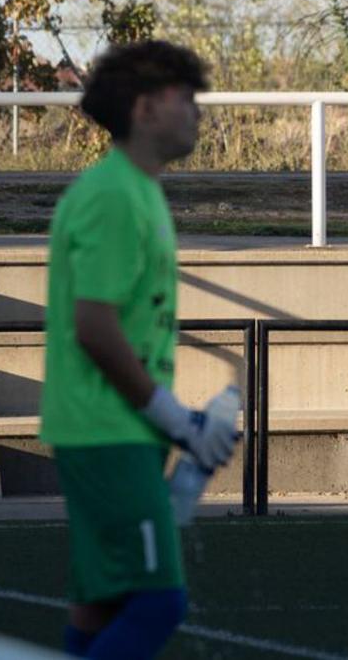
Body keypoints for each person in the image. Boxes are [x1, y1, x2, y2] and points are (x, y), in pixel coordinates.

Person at [40, 41, 241, 659]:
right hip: (108, 433)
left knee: (100, 609)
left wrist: (173, 427)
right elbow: (95, 327)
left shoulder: (139, 190)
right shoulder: (112, 195)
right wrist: (177, 419)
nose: (197, 113)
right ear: (146, 107)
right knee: (158, 602)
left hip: (118, 429)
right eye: (187, 98)